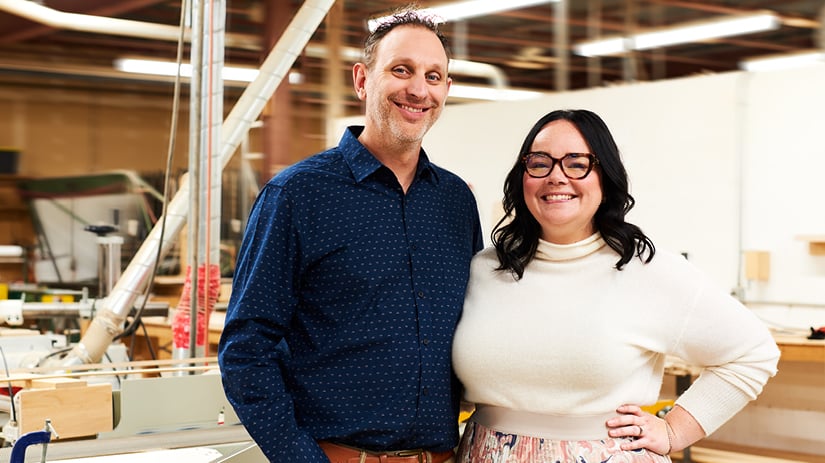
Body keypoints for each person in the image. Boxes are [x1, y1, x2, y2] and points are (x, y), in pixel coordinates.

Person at [218, 7, 483, 463]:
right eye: (401, 70)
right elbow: (247, 350)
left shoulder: (456, 201)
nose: (419, 89)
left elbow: (480, 326)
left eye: (434, 76)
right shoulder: (297, 194)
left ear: (446, 89)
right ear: (362, 80)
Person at [451, 109, 780, 462]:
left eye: (577, 163)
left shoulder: (649, 271)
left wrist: (674, 430)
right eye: (540, 162)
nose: (556, 177)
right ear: (523, 176)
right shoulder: (483, 269)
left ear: (605, 178)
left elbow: (753, 353)